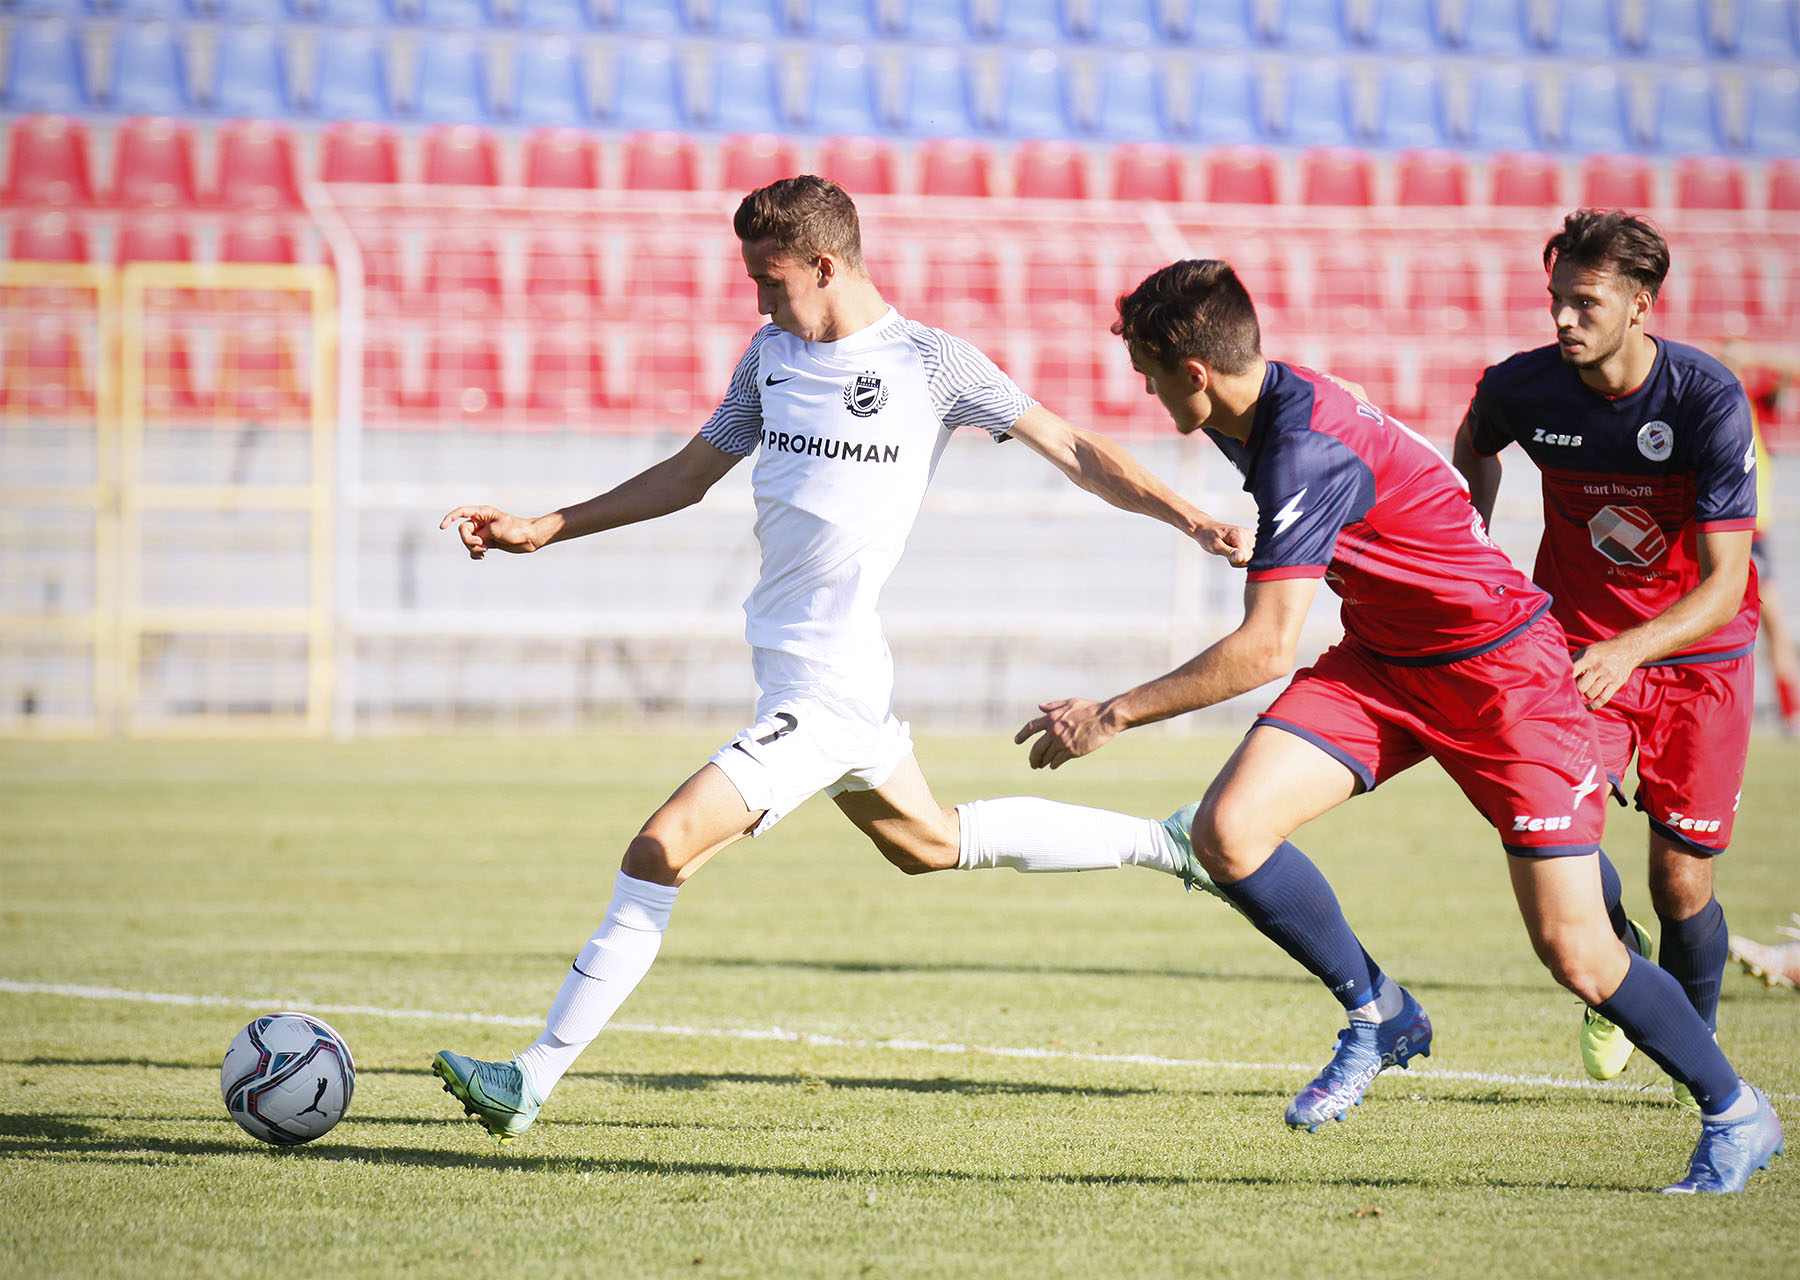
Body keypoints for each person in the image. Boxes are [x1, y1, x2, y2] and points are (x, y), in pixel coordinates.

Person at [427, 176, 1252, 1143]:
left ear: (825, 264)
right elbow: (690, 476)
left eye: (771, 282)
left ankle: (530, 1078)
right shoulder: (768, 359)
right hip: (806, 676)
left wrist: (1191, 516)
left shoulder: (930, 363)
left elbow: (1070, 446)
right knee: (931, 843)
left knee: (659, 849)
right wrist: (543, 527)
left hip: (827, 692)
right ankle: (1171, 843)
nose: (761, 302)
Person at [1018, 257, 1782, 1193]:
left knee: (1578, 955)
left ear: (1194, 371)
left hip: (1505, 680)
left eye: (1143, 366)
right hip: (1387, 663)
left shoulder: (1301, 445)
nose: (1137, 384)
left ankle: (1737, 1113)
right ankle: (1379, 1012)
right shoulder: (1259, 406)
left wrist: (1112, 712)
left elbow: (1264, 650)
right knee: (1228, 831)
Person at [1451, 213, 1762, 1106]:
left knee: (1681, 878)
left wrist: (1633, 648)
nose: (1561, 320)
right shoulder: (1524, 389)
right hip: (1578, 653)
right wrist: (1473, 534)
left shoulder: (1705, 399)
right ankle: (1614, 960)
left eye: (1583, 302)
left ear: (1640, 306)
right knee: (1558, 835)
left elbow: (1723, 582)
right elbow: (1476, 440)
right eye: (1555, 301)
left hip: (1698, 658)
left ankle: (1694, 1052)